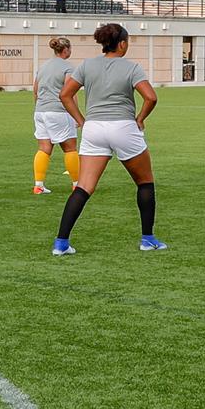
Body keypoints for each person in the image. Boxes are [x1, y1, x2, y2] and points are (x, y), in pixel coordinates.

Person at [53, 22, 163, 254]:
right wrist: (140, 118)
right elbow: (151, 98)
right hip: (123, 127)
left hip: (94, 129)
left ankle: (61, 243)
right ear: (122, 44)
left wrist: (82, 121)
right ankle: (148, 239)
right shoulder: (131, 67)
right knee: (145, 182)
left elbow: (65, 95)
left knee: (83, 187)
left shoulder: (86, 65)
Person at [32, 37, 80, 195]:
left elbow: (35, 90)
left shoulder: (43, 66)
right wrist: (76, 115)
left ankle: (38, 185)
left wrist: (39, 107)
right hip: (59, 111)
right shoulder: (68, 67)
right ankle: (77, 184)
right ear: (65, 50)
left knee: (44, 148)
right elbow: (69, 92)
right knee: (70, 148)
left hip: (40, 111)